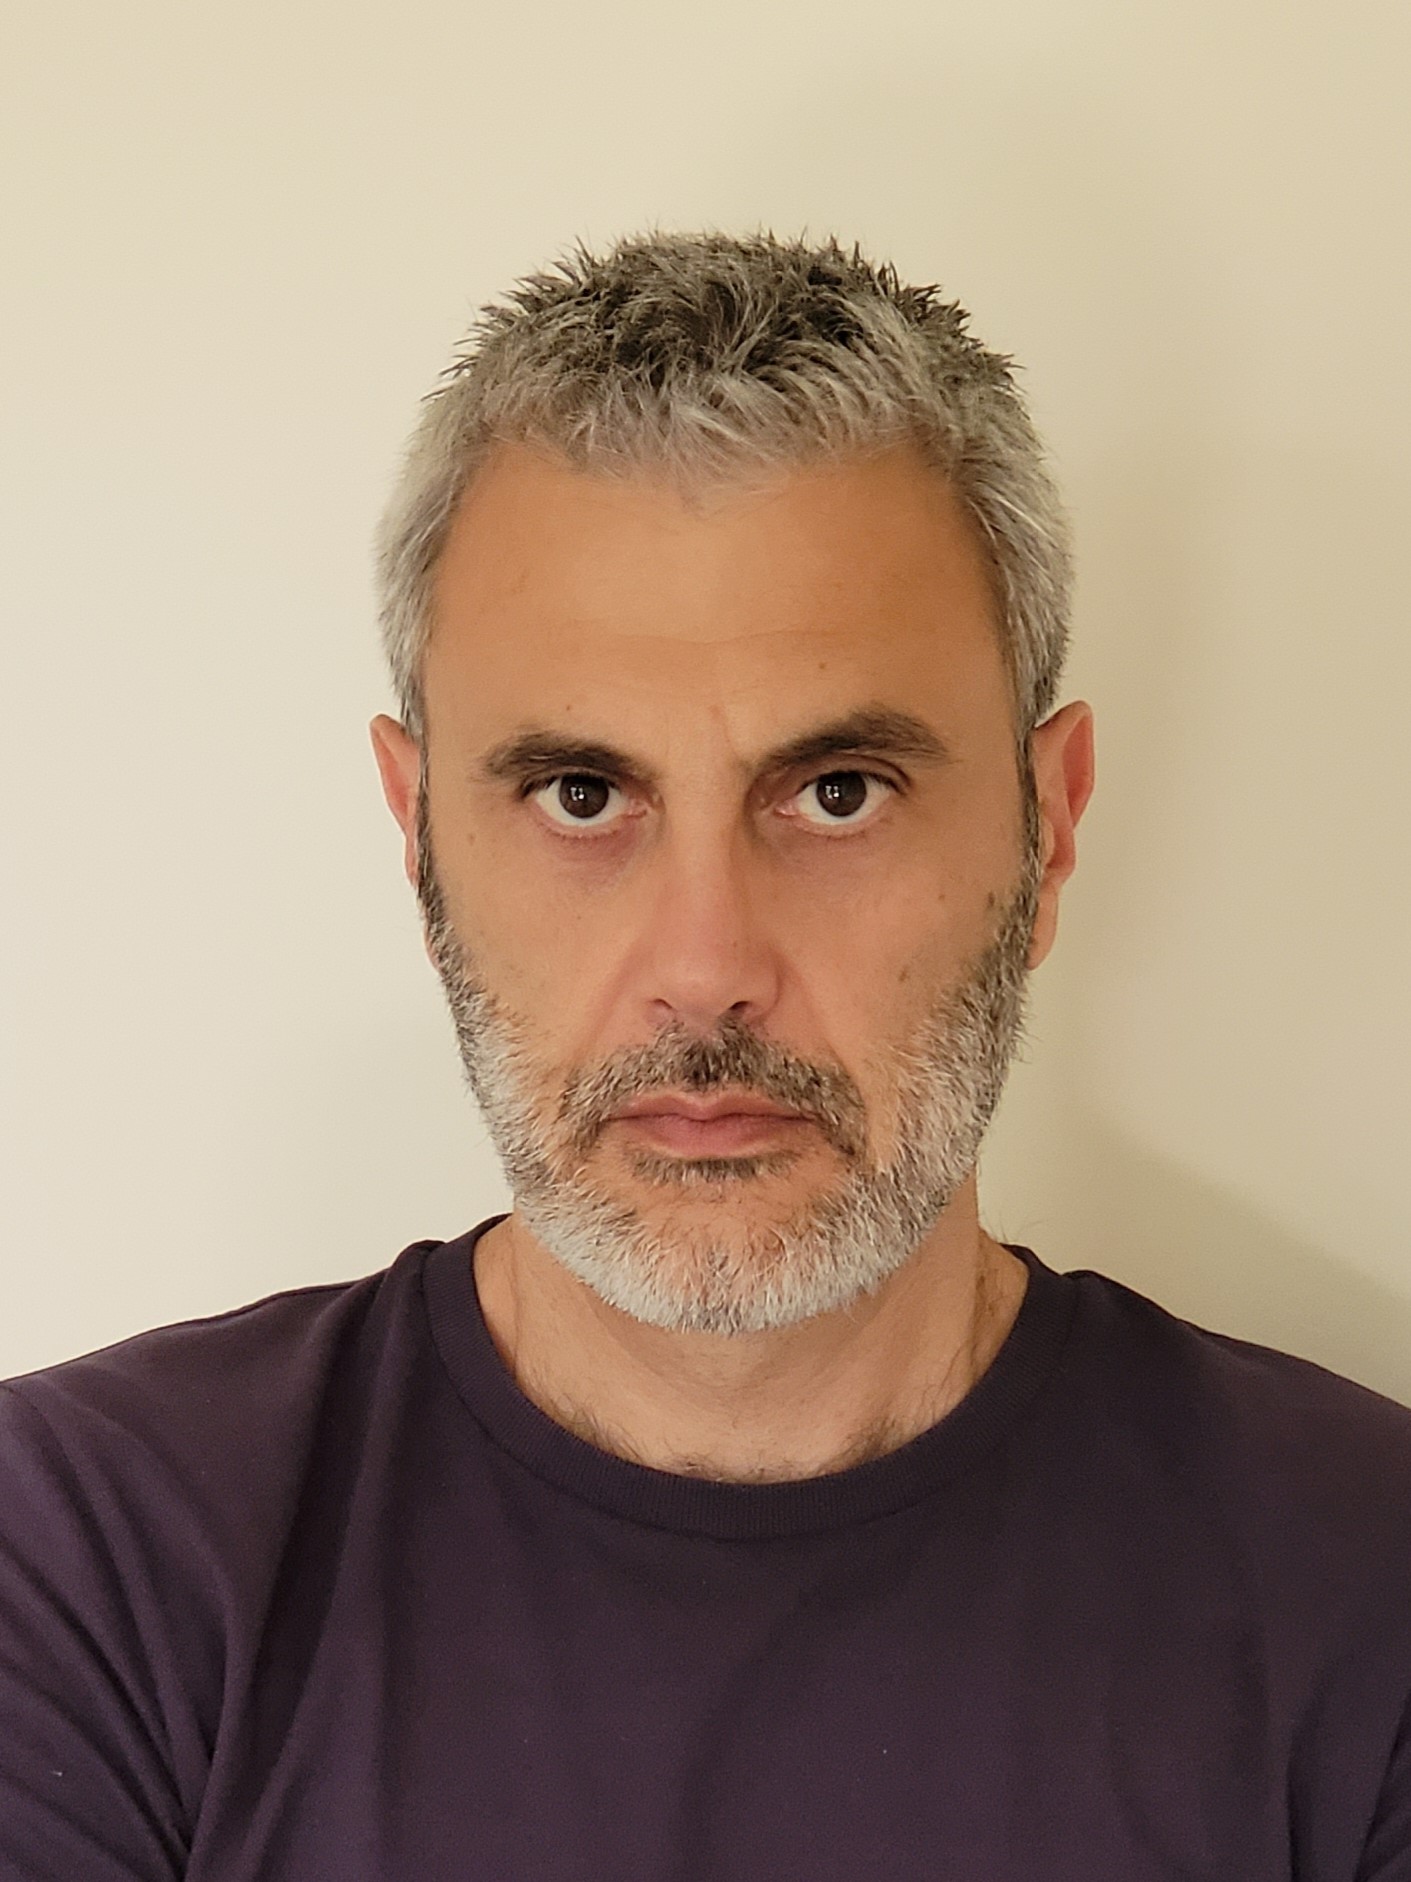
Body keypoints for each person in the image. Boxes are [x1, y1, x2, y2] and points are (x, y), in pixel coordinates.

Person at [2, 231, 1408, 1881]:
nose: (705, 969)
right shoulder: (82, 1567)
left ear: (1051, 827)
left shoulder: (1368, 1594)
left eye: (838, 792)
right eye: (581, 794)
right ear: (419, 836)